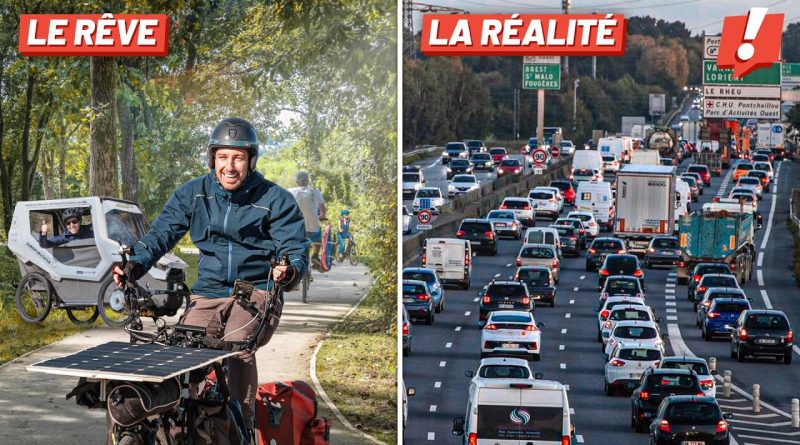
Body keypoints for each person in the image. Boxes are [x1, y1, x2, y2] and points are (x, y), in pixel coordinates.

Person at [111, 117, 309, 430]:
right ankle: (185, 424)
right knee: (184, 347)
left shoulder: (276, 199)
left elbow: (295, 247)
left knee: (237, 346)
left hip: (256, 291)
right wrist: (133, 264)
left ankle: (242, 425)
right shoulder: (193, 194)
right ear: (212, 158)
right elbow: (159, 236)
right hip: (208, 292)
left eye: (238, 158)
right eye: (222, 157)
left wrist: (289, 270)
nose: (229, 166)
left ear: (251, 161)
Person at [288, 171, 327, 270]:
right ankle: (315, 255)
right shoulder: (315, 191)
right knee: (317, 238)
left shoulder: (290, 191)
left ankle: (295, 259)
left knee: (296, 242)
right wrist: (322, 215)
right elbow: (323, 208)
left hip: (297, 225)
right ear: (307, 181)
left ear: (296, 181)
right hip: (312, 225)